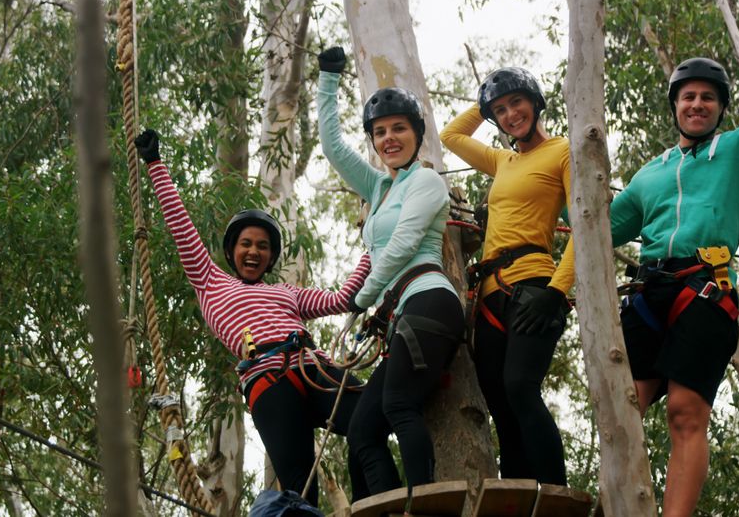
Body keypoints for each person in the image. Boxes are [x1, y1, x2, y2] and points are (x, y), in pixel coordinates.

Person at [610, 0, 739, 515]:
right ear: (674, 106)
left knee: (684, 412)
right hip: (648, 294)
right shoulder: (650, 173)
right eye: (687, 96)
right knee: (619, 409)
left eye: (707, 97)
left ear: (720, 108)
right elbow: (598, 228)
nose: (696, 104)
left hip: (704, 291)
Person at [134, 129, 371, 507]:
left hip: (313, 366)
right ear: (232, 251)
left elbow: (344, 297)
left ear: (270, 257)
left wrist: (376, 245)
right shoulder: (211, 282)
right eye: (246, 243)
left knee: (370, 414)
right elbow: (182, 229)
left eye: (262, 246)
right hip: (268, 382)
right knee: (298, 484)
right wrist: (156, 166)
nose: (253, 251)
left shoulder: (286, 293)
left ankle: (369, 506)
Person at [315, 47, 466, 496]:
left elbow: (401, 245)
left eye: (399, 128)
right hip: (403, 314)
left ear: (417, 134)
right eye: (379, 132)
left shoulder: (426, 181)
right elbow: (332, 146)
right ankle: (385, 505)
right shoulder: (380, 186)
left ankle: (424, 503)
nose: (389, 139)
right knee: (362, 430)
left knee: (399, 405)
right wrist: (328, 79)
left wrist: (363, 297)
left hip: (429, 300)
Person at [439, 66, 575, 486]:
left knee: (520, 387)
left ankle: (555, 492)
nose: (511, 114)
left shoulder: (565, 151)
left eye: (517, 102)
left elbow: (587, 228)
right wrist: (484, 106)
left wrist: (557, 291)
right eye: (501, 110)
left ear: (536, 102)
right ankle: (517, 493)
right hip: (490, 294)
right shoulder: (503, 160)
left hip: (535, 285)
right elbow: (451, 136)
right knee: (500, 402)